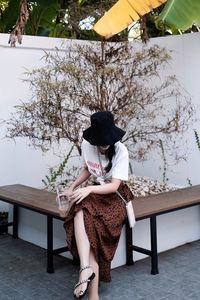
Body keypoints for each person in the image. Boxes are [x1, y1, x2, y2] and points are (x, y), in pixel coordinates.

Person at [62, 111, 133, 300]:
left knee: (88, 220)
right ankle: (86, 269)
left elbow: (114, 186)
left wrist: (89, 190)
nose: (103, 145)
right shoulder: (87, 145)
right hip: (97, 195)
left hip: (115, 198)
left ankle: (90, 286)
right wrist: (72, 188)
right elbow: (88, 168)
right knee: (81, 211)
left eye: (106, 141)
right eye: (100, 142)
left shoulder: (121, 151)